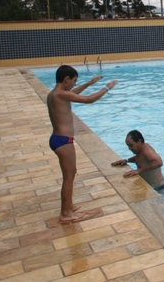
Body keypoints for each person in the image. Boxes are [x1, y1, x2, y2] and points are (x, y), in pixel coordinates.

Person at [47, 65, 117, 224]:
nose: (73, 84)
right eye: (73, 81)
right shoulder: (61, 95)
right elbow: (89, 99)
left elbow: (72, 93)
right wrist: (107, 88)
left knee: (71, 173)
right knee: (69, 177)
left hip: (58, 139)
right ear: (66, 79)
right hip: (63, 141)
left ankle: (69, 206)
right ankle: (65, 214)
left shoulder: (54, 94)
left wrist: (90, 83)